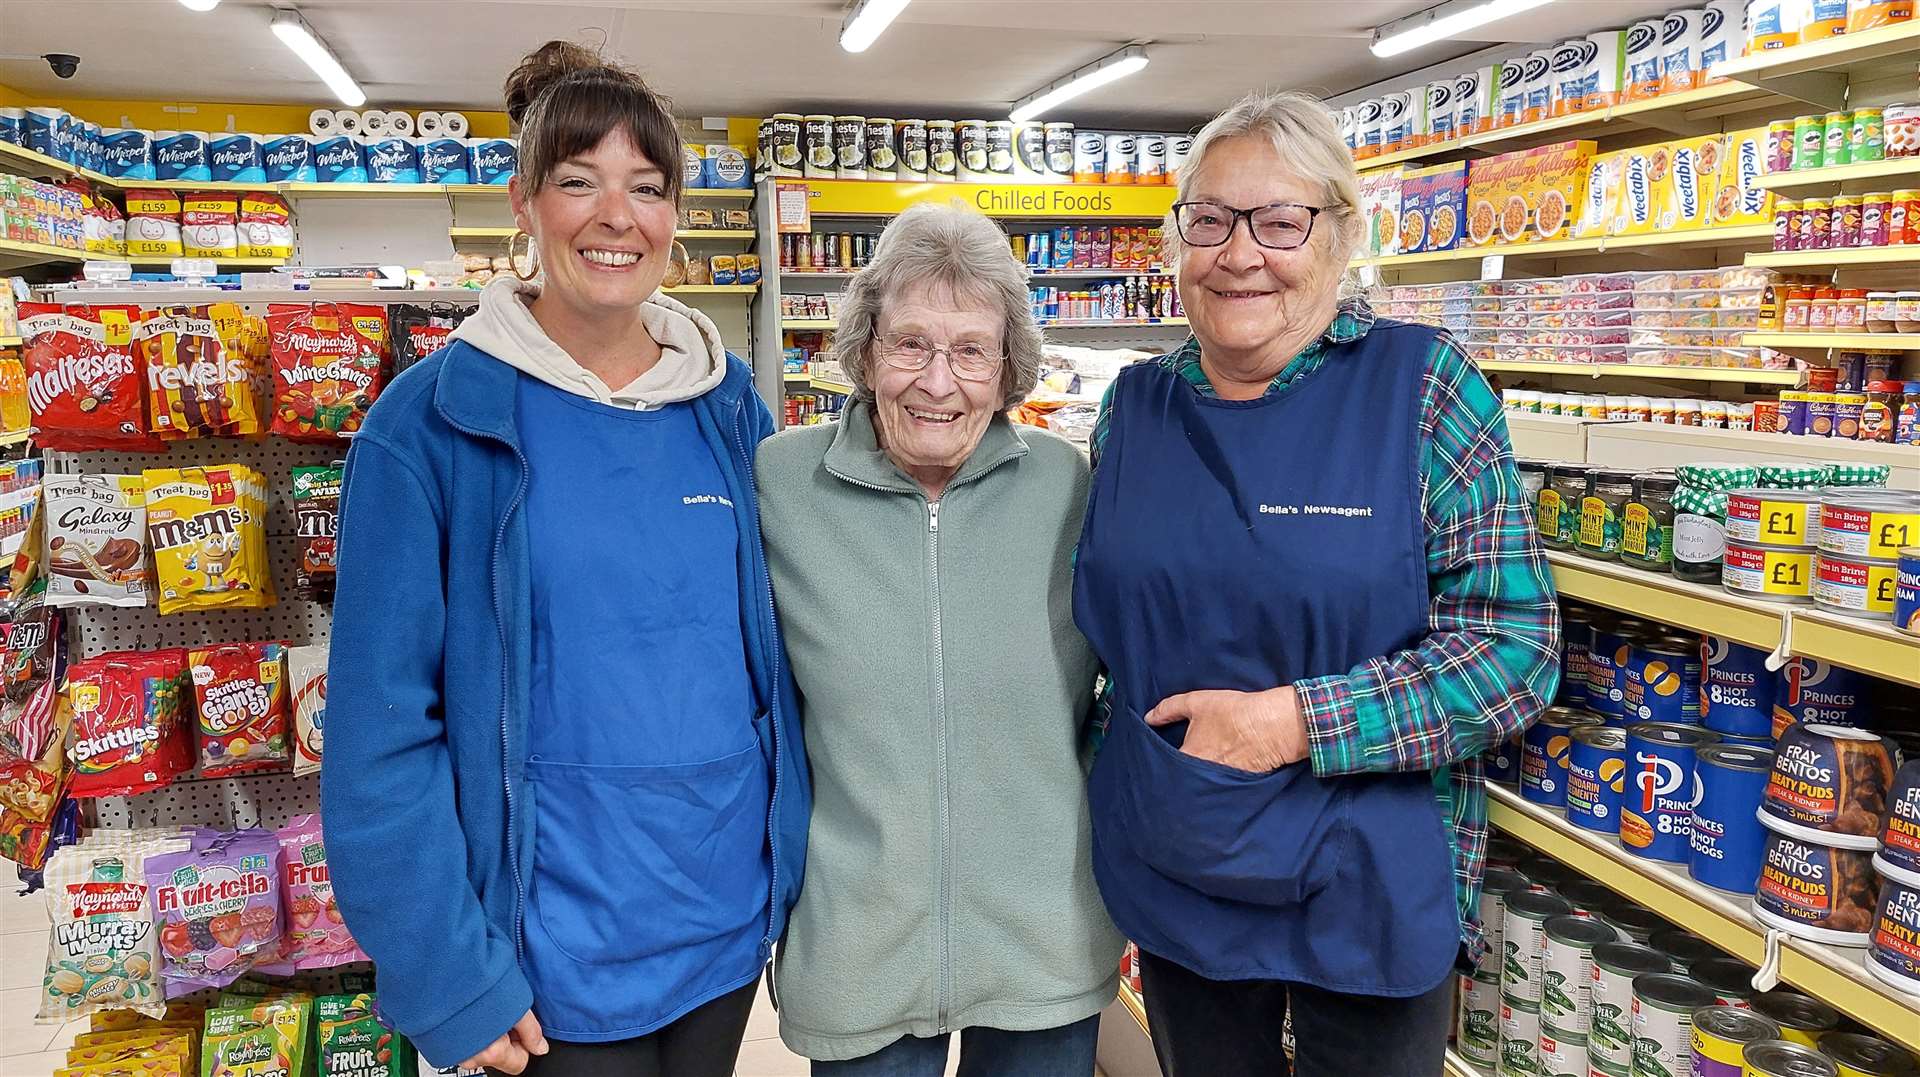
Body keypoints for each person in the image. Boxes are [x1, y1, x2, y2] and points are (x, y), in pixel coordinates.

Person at [322, 41, 808, 1077]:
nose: (614, 215)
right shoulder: (432, 425)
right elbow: (377, 733)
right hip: (547, 958)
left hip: (721, 918)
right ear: (525, 202)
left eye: (646, 187)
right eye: (578, 181)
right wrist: (445, 972)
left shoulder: (727, 409)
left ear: (674, 216)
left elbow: (772, 653)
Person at [1075, 90, 1561, 1077]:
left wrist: (1291, 721)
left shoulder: (1425, 389)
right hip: (1180, 858)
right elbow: (1103, 641)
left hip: (1366, 881)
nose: (1239, 253)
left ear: (1340, 236)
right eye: (1208, 220)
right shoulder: (1135, 408)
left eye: (1280, 221)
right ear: (1176, 242)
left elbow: (1514, 651)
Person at [755, 202, 1123, 1077]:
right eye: (911, 343)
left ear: (1008, 369)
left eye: (970, 350)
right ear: (867, 347)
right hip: (856, 939)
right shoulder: (780, 482)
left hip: (1044, 937)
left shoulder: (1067, 487)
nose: (938, 381)